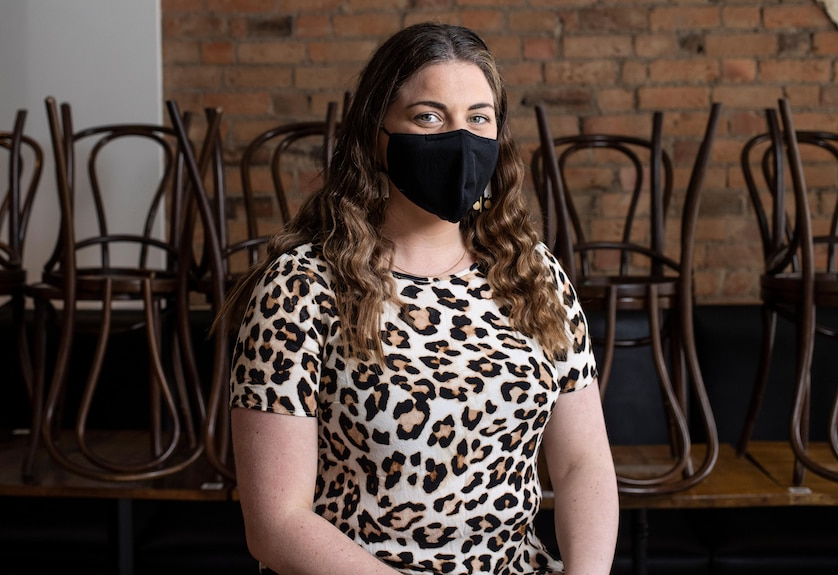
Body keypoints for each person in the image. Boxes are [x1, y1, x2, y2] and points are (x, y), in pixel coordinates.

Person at [223, 21, 619, 575]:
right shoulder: (300, 288)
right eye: (428, 117)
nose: (459, 140)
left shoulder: (532, 272)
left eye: (478, 118)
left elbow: (583, 464)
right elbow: (276, 524)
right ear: (375, 133)